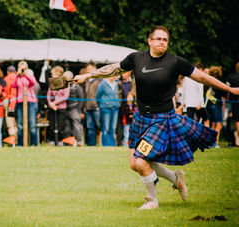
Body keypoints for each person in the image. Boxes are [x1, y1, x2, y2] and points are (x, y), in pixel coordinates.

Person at [74, 26, 239, 209]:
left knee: (141, 161)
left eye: (165, 40)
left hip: (161, 121)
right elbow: (114, 69)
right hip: (140, 118)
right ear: (149, 40)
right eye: (158, 38)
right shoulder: (136, 58)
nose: (162, 42)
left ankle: (152, 200)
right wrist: (88, 75)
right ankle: (175, 178)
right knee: (134, 164)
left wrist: (229, 89)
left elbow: (202, 77)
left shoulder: (175, 62)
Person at [12, 61, 39, 146]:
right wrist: (17, 75)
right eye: (21, 68)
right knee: (20, 125)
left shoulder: (30, 75)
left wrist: (26, 74)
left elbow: (33, 82)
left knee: (32, 125)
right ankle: (20, 144)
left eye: (24, 68)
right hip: (20, 102)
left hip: (30, 102)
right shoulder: (18, 77)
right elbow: (13, 85)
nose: (23, 70)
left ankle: (33, 144)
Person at [47, 66, 70, 146]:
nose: (52, 75)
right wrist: (50, 103)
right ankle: (51, 141)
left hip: (61, 107)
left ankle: (60, 141)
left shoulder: (65, 83)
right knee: (52, 125)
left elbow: (65, 96)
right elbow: (48, 94)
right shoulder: (52, 83)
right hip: (52, 107)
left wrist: (55, 103)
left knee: (61, 125)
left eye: (53, 73)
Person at [182, 62, 209, 127]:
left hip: (189, 103)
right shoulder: (200, 77)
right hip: (198, 103)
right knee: (206, 120)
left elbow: (184, 91)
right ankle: (207, 136)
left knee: (190, 123)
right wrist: (200, 103)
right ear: (200, 69)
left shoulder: (186, 77)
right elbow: (200, 91)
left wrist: (183, 103)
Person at [96, 76, 120, 146]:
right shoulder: (103, 83)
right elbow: (98, 96)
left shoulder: (117, 84)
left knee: (113, 129)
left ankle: (112, 145)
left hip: (115, 108)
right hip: (105, 108)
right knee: (106, 128)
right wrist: (102, 104)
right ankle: (105, 145)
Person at [82, 63, 102, 146]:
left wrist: (99, 105)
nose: (88, 70)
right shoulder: (86, 81)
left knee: (100, 126)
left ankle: (102, 144)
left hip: (97, 107)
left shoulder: (100, 80)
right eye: (87, 69)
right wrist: (84, 106)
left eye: (90, 69)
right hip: (88, 107)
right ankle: (91, 145)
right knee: (90, 127)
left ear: (95, 68)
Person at [206, 66, 226, 147]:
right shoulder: (218, 82)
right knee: (219, 124)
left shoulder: (207, 81)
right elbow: (223, 93)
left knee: (213, 124)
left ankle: (210, 142)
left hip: (208, 105)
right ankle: (215, 143)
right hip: (217, 104)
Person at [63, 71, 85, 146]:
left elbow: (82, 99)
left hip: (74, 109)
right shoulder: (63, 86)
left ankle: (79, 142)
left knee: (77, 127)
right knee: (67, 127)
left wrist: (79, 110)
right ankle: (70, 142)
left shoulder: (77, 87)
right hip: (65, 109)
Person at [116, 71, 136, 146]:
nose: (122, 75)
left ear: (129, 73)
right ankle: (122, 143)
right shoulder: (119, 81)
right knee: (122, 127)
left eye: (124, 73)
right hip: (123, 108)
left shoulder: (134, 80)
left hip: (133, 106)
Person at [226, 62, 239, 146]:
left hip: (234, 102)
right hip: (234, 102)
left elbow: (227, 91)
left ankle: (237, 140)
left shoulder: (231, 77)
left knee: (236, 121)